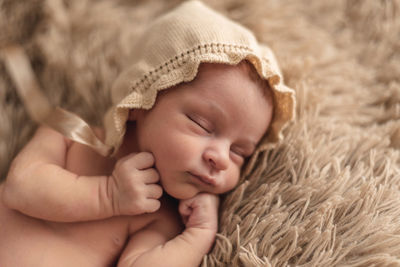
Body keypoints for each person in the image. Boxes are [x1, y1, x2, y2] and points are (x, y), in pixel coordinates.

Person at [0, 1, 295, 266]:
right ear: (143, 100)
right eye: (202, 125)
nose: (220, 158)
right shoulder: (69, 135)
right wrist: (109, 196)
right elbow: (19, 188)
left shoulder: (160, 214)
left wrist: (199, 233)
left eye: (239, 152)